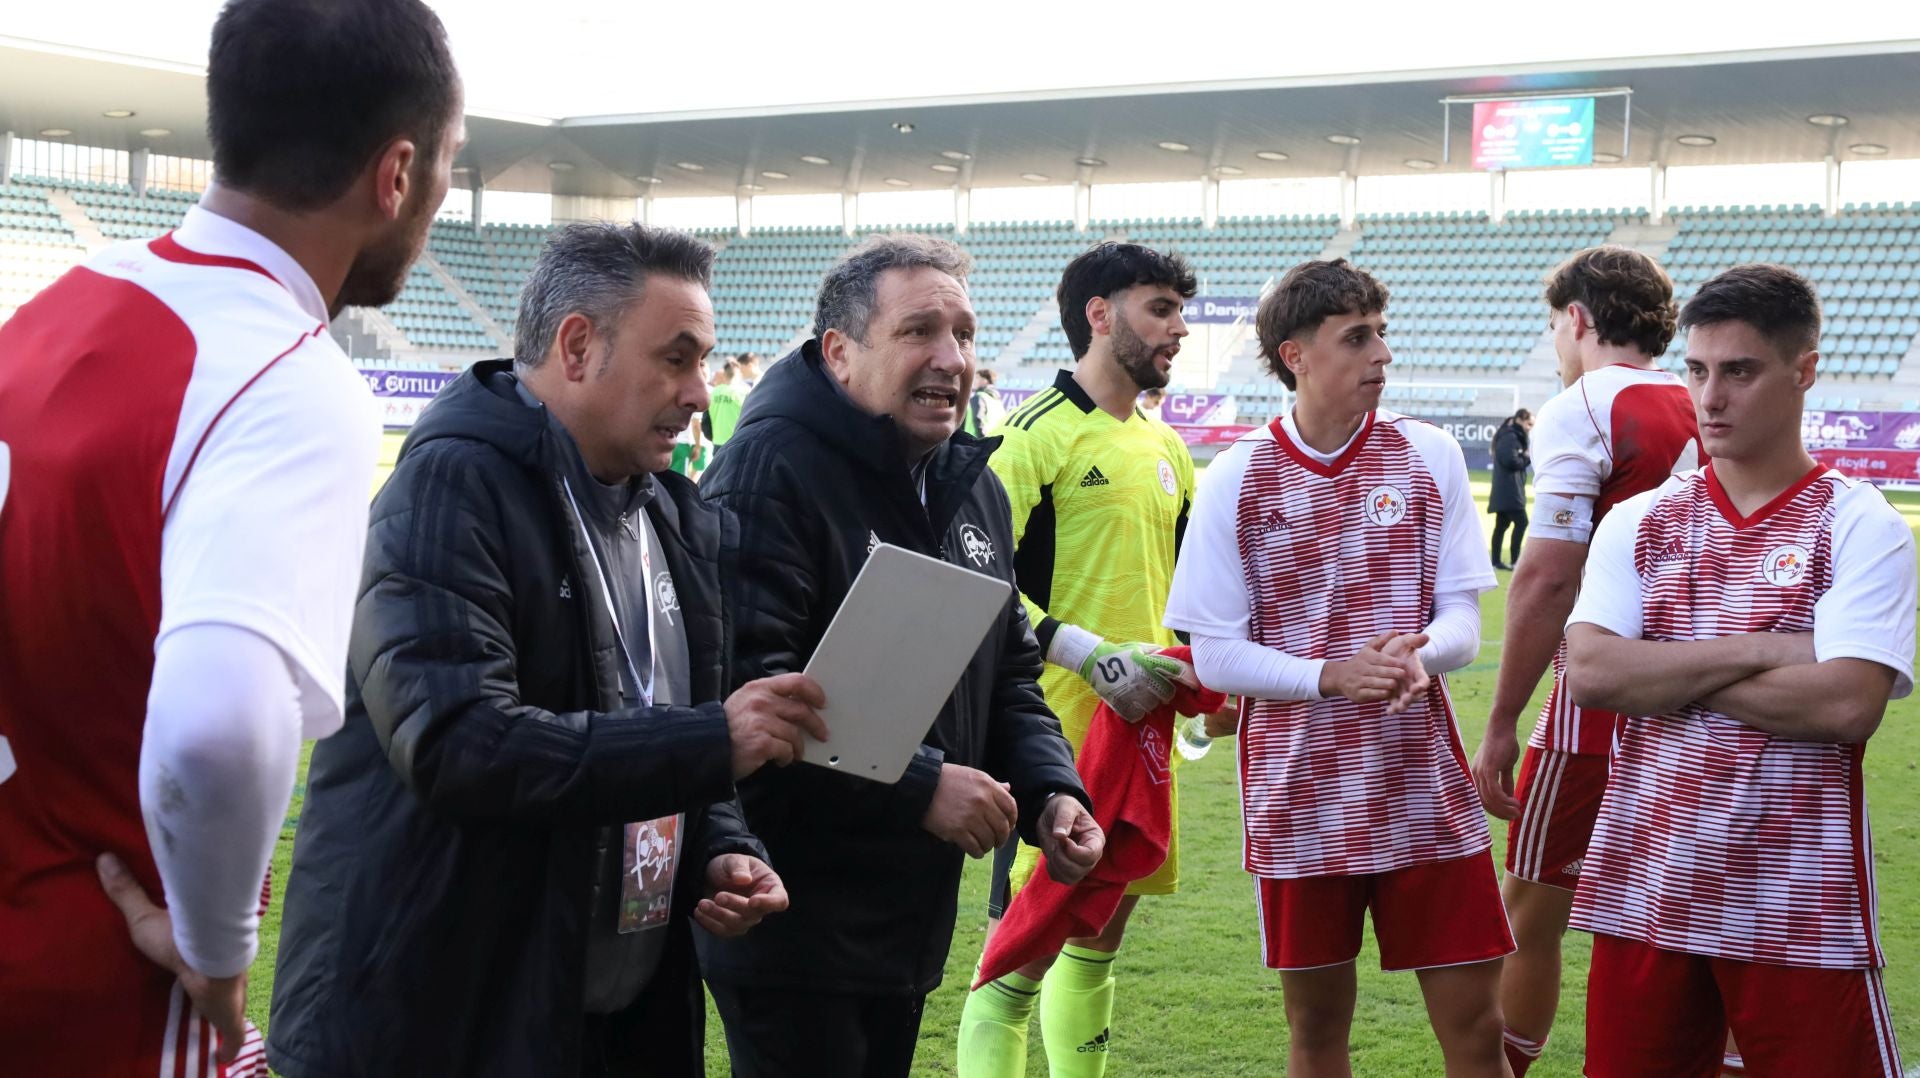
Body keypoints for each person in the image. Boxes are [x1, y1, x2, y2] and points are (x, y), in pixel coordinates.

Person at [0, 2, 461, 1073]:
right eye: (446, 166)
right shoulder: (287, 376)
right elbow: (216, 725)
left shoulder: (55, 309)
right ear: (395, 175)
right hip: (104, 982)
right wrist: (214, 948)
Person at [266, 224, 829, 1078]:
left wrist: (723, 845)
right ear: (577, 345)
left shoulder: (671, 514)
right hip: (439, 1016)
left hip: (604, 1014)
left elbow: (668, 727)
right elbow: (457, 739)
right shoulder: (450, 488)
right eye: (677, 359)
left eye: (705, 361)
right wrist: (712, 742)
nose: (700, 391)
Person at [696, 232, 1104, 1077]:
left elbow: (1009, 680)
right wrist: (920, 789)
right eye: (921, 331)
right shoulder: (768, 476)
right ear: (841, 353)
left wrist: (1050, 790)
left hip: (906, 920)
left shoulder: (970, 485)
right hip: (792, 920)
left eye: (963, 333)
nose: (951, 358)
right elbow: (744, 709)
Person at [1564, 263, 1913, 1077]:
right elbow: (1593, 674)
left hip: (1798, 902)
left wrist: (1665, 664)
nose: (1710, 397)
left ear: (1805, 372)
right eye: (1697, 370)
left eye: (1740, 372)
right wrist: (1762, 646)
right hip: (1644, 889)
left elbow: (1845, 703)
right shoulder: (1640, 520)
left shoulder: (1861, 526)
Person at [1165, 259, 1511, 1077]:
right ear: (1296, 355)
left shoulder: (1429, 456)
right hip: (1300, 801)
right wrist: (1330, 675)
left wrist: (1419, 656)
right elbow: (1213, 652)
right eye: (1357, 338)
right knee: (1317, 1035)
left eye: (1382, 333)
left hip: (1424, 790)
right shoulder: (1238, 477)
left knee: (1475, 1030)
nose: (1381, 354)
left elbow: (1464, 616)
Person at [958, 241, 1201, 1078]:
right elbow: (969, 579)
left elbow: (1183, 590)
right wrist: (1087, 653)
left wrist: (1205, 676)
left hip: (1141, 740)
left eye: (1181, 311)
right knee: (1012, 968)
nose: (1178, 330)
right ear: (1100, 316)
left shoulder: (1166, 447)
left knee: (1096, 946)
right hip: (1048, 740)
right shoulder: (1032, 436)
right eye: (1160, 309)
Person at [1466, 246, 1700, 1077]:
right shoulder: (1714, 397)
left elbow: (1548, 573)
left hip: (1600, 703)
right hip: (1709, 708)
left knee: (1530, 911)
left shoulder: (1586, 404)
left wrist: (1500, 722)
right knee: (1698, 923)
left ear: (1577, 319)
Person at [1488, 408, 1532, 570]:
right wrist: (1526, 456)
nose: (1530, 428)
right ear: (1520, 420)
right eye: (1529, 424)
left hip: (1505, 489)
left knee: (1502, 525)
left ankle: (1496, 561)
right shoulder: (1511, 437)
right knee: (1521, 522)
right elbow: (1511, 461)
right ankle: (1515, 561)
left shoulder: (1508, 435)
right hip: (1509, 491)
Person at [704, 356, 748, 454]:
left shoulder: (714, 392)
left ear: (724, 374)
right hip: (737, 442)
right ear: (739, 374)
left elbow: (706, 420)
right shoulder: (744, 391)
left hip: (717, 443)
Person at [963, 365, 1008, 436]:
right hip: (993, 441)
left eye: (977, 378)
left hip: (974, 443)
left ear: (985, 381)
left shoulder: (979, 397)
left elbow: (978, 420)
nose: (974, 381)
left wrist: (983, 442)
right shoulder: (998, 401)